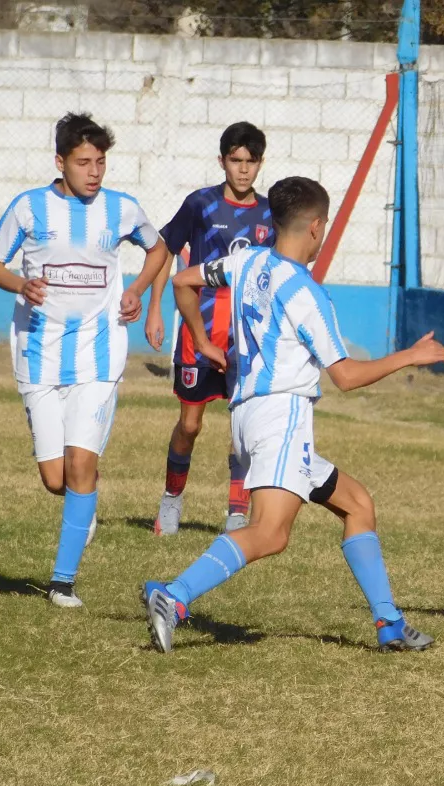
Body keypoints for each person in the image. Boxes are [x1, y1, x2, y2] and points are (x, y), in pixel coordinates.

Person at [142, 176, 444, 654]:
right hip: (281, 418)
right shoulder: (307, 294)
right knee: (270, 532)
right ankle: (174, 597)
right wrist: (409, 356)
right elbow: (344, 376)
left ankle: (389, 622)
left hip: (248, 418)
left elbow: (184, 281)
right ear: (317, 227)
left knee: (357, 504)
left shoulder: (245, 260)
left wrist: (203, 343)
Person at [0, 112, 167, 608]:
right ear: (60, 162)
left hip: (99, 354)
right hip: (38, 355)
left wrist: (136, 291)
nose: (94, 172)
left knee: (82, 465)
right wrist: (21, 284)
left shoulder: (121, 209)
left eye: (101, 162)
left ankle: (61, 583)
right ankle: (84, 507)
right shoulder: (28, 208)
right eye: (84, 162)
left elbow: (160, 248)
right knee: (55, 479)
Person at [145, 122, 275, 536]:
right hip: (197, 332)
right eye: (235, 161)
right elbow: (164, 249)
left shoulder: (271, 214)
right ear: (222, 161)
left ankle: (237, 512)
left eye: (250, 162)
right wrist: (155, 309)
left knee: (243, 430)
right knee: (190, 425)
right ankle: (171, 500)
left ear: (260, 164)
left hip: (244, 336)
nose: (243, 170)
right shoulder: (199, 204)